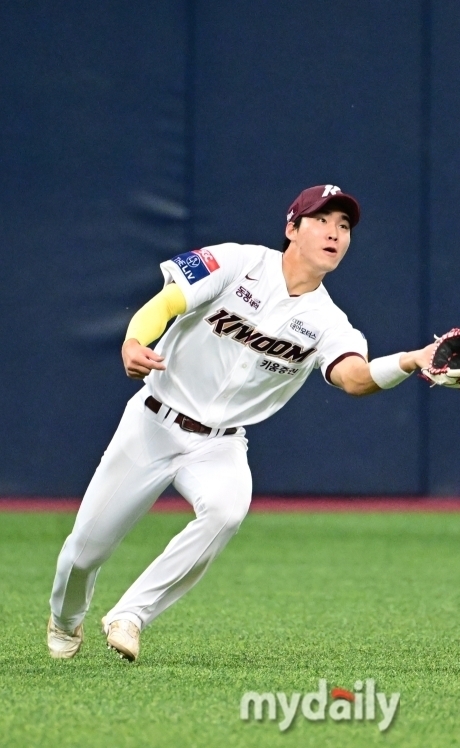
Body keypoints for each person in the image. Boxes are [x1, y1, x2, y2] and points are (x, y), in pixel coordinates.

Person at [47, 184, 436, 661]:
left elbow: (354, 378)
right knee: (84, 553)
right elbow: (168, 302)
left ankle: (131, 615)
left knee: (227, 509)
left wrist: (412, 360)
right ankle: (66, 620)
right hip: (154, 421)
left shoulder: (329, 321)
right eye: (322, 220)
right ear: (292, 228)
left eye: (344, 226)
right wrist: (134, 340)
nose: (335, 232)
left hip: (221, 444)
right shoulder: (236, 262)